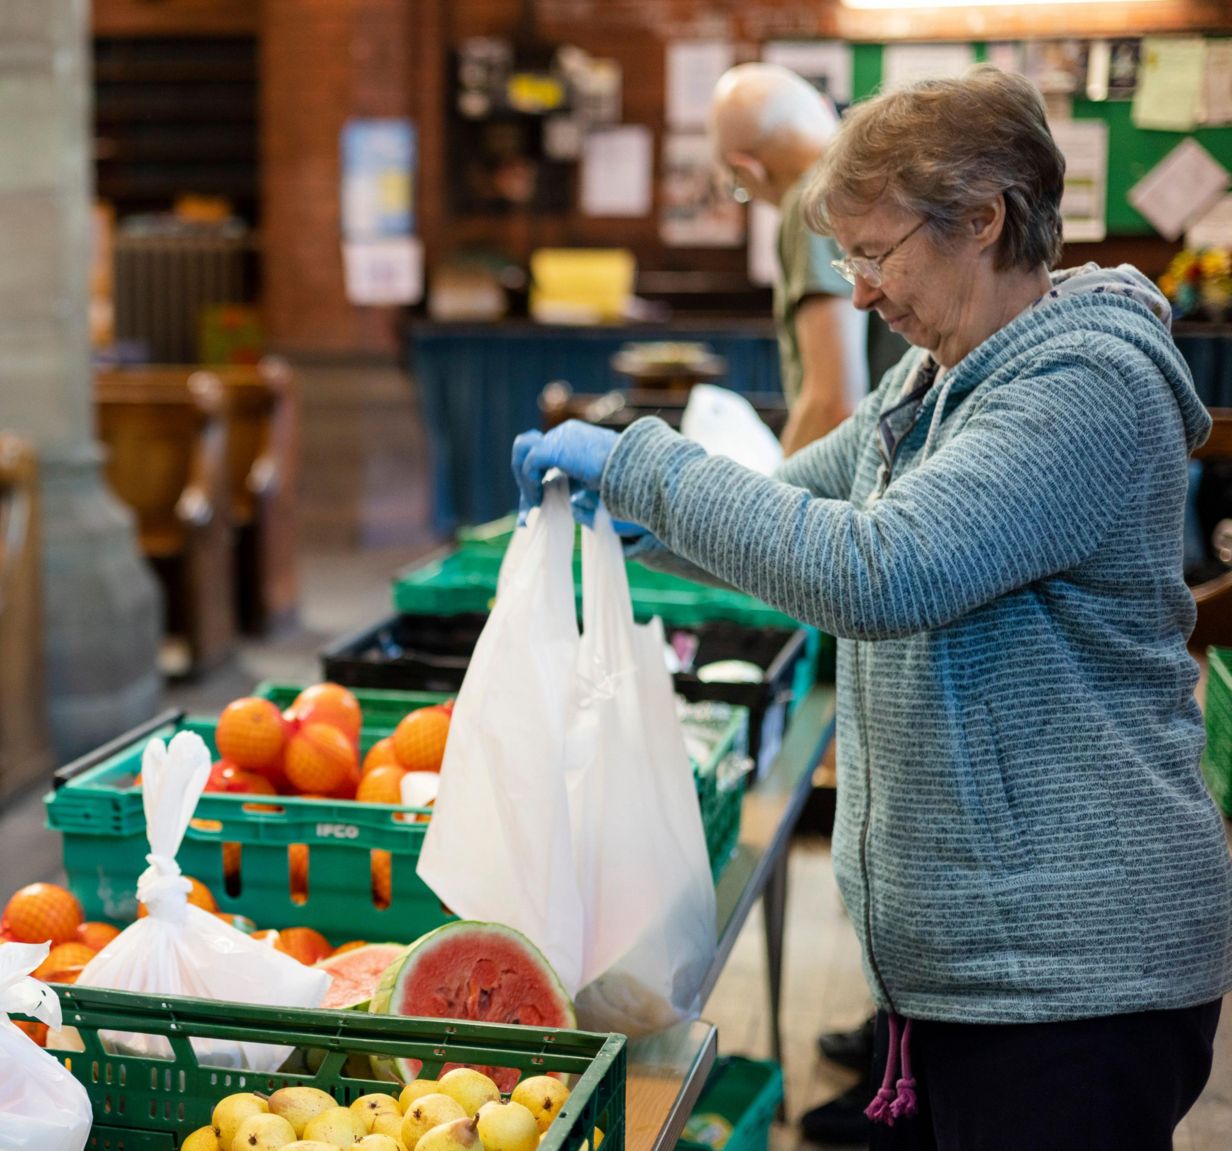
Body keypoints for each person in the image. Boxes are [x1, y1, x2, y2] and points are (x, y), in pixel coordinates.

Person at [517, 67, 1231, 1150]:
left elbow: (876, 570)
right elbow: (789, 507)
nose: (855, 291)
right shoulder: (931, 380)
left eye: (875, 252)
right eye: (845, 256)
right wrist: (632, 515)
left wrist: (642, 467)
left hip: (1074, 973)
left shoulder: (1084, 387)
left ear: (982, 219)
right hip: (966, 965)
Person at [711, 63, 872, 455]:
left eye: (739, 188)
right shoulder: (866, 177)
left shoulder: (811, 202)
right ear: (822, 105)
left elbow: (834, 404)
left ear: (747, 168)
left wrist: (770, 497)